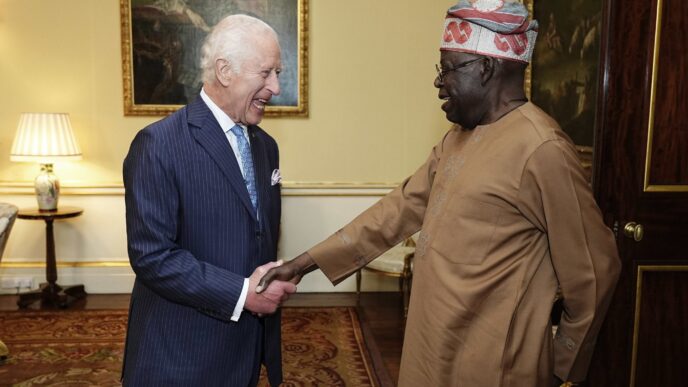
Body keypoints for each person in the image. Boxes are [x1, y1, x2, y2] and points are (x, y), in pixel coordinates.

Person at [257, 1, 621, 386]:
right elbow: (395, 212)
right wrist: (303, 262)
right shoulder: (457, 139)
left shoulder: (542, 149)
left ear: (485, 68)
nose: (438, 81)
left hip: (493, 362)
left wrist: (561, 363)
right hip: (433, 344)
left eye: (448, 68)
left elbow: (595, 271)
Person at [122, 14, 295, 386]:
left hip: (245, 350)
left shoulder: (267, 147)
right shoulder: (158, 144)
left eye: (277, 73)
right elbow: (152, 256)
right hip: (181, 356)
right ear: (225, 71)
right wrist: (242, 294)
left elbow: (258, 234)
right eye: (266, 73)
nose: (276, 87)